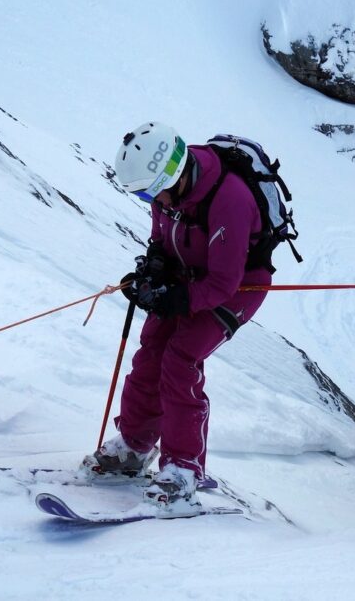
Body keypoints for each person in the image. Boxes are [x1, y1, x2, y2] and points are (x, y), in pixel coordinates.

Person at [83, 122, 271, 513]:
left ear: (173, 175)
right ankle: (134, 446)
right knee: (152, 348)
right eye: (141, 194)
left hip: (238, 288)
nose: (149, 200)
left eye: (149, 192)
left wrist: (179, 299)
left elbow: (223, 281)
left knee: (182, 357)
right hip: (188, 278)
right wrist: (151, 270)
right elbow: (162, 240)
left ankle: (183, 471)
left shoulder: (230, 200)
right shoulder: (166, 195)